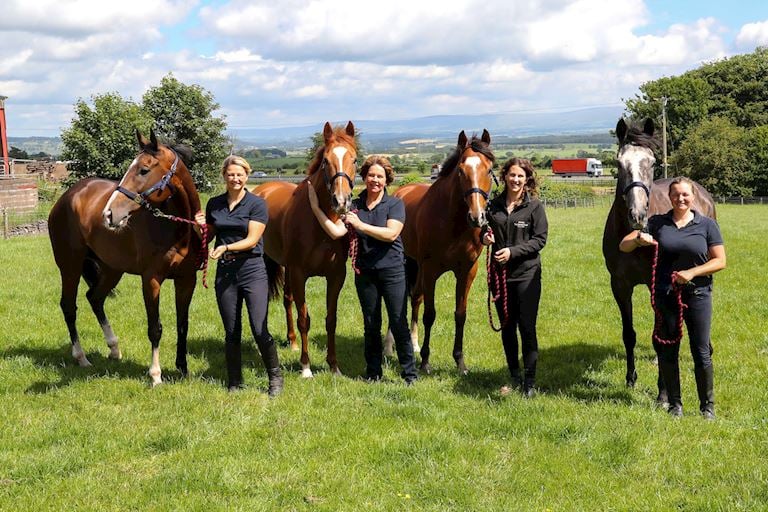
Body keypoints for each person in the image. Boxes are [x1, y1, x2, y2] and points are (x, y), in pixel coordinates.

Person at [620, 177, 725, 419]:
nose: (680, 198)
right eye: (676, 194)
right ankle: (675, 404)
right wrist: (637, 239)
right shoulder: (657, 223)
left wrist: (691, 273)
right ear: (669, 196)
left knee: (701, 351)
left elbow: (720, 261)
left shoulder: (707, 225)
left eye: (685, 194)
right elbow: (623, 246)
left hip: (698, 294)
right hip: (666, 294)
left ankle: (706, 407)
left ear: (694, 196)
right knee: (668, 350)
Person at [307, 155, 418, 385]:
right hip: (365, 273)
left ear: (387, 180)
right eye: (371, 176)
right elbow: (336, 232)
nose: (375, 180)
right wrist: (316, 207)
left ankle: (409, 374)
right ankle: (373, 372)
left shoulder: (394, 204)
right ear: (364, 178)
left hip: (393, 271)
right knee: (371, 324)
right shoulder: (354, 205)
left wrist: (360, 225)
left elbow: (392, 234)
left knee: (398, 322)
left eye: (380, 176)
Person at [195, 156, 283, 396]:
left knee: (259, 328)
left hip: (252, 270)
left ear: (247, 175)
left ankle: (275, 378)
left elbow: (253, 239)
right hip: (225, 273)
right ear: (224, 175)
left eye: (239, 174)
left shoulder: (256, 204)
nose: (235, 178)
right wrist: (200, 226)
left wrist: (226, 248)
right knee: (231, 331)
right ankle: (235, 381)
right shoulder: (215, 204)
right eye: (231, 174)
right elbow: (209, 236)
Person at [482, 158, 548, 398]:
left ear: (527, 179)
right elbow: (483, 229)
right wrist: (484, 237)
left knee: (527, 327)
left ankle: (529, 382)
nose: (516, 180)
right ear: (505, 176)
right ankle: (514, 375)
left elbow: (539, 240)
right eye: (512, 175)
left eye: (520, 176)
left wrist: (512, 252)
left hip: (526, 275)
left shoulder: (534, 207)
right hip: (499, 277)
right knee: (507, 328)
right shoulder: (493, 205)